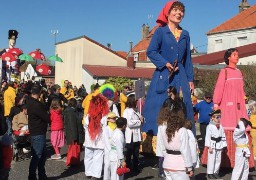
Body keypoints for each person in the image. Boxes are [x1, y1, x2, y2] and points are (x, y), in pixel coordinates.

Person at [142, 1, 195, 137]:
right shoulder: (160, 31)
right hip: (163, 75)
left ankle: (183, 140)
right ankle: (158, 142)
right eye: (175, 10)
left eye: (181, 11)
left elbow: (188, 59)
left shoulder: (185, 34)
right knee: (161, 106)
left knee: (182, 106)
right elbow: (151, 51)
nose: (179, 13)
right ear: (168, 12)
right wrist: (164, 63)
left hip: (181, 75)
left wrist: (190, 79)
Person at [212, 48, 254, 168]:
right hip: (227, 107)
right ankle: (225, 163)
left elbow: (241, 90)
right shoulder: (224, 72)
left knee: (242, 129)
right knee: (229, 129)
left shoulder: (240, 72)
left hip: (240, 108)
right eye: (234, 54)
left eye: (237, 54)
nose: (237, 56)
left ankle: (244, 162)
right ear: (228, 58)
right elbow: (219, 88)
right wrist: (216, 104)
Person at [156, 107, 193, 179]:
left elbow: (163, 147)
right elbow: (185, 150)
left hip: (167, 163)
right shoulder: (182, 131)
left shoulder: (164, 130)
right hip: (179, 166)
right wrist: (189, 167)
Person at [27, 84, 50, 180]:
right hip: (38, 132)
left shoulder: (30, 102)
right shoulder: (36, 104)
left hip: (36, 131)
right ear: (39, 93)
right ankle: (32, 176)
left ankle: (42, 175)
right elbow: (46, 117)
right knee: (38, 155)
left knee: (42, 155)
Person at [83, 94, 108, 179]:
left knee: (88, 156)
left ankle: (88, 172)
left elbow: (85, 125)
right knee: (98, 157)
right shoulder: (104, 116)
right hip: (99, 141)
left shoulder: (88, 115)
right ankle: (95, 174)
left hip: (89, 140)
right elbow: (105, 128)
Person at [204, 109, 227, 179]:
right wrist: (209, 146)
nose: (219, 119)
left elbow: (223, 135)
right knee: (211, 159)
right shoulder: (210, 126)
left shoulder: (220, 126)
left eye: (219, 117)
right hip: (212, 145)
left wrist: (223, 144)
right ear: (212, 118)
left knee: (218, 159)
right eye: (217, 117)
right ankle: (210, 173)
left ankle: (215, 172)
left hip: (219, 144)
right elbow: (207, 137)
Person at [123, 94, 143, 172]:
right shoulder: (127, 111)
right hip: (130, 134)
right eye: (136, 101)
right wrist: (139, 122)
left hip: (137, 134)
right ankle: (127, 166)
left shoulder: (137, 110)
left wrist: (142, 119)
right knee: (129, 151)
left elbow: (142, 119)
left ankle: (135, 166)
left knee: (136, 151)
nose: (137, 102)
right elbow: (129, 123)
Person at [63, 98, 84, 166]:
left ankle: (73, 161)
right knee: (74, 148)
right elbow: (72, 124)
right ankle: (73, 162)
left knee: (73, 148)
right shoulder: (71, 112)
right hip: (74, 133)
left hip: (72, 133)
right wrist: (75, 136)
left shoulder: (69, 111)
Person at [103, 112, 117, 180]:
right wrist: (110, 149)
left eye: (115, 118)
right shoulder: (106, 128)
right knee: (107, 165)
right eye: (113, 118)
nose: (114, 119)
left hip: (115, 149)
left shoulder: (117, 127)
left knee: (114, 166)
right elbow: (106, 140)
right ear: (108, 119)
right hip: (108, 150)